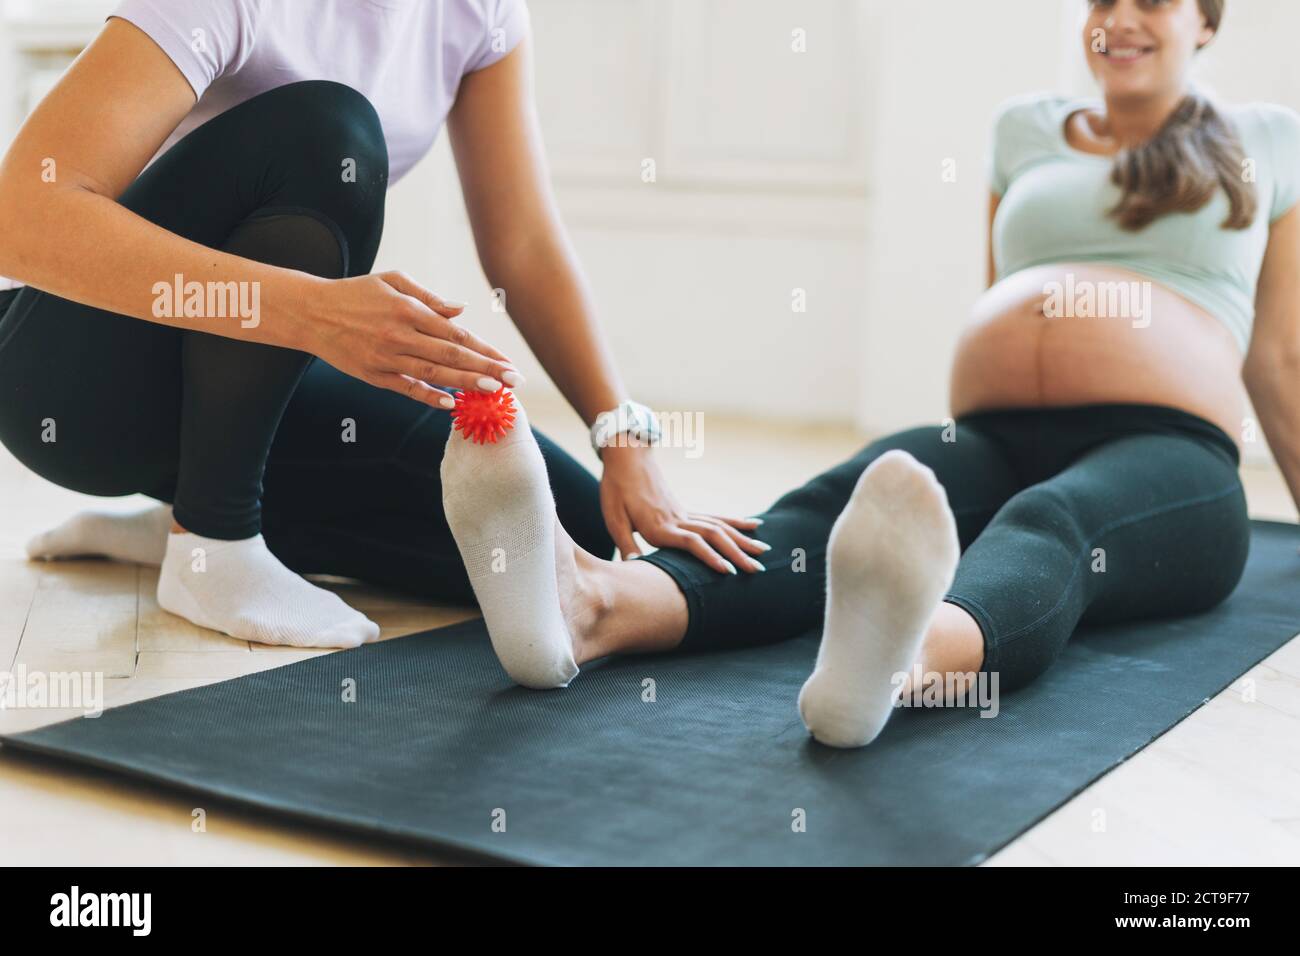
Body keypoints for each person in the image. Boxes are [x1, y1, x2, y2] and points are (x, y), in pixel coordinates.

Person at [438, 0, 1300, 748]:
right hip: (997, 429)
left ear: (1207, 21)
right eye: (1100, 2)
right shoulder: (1024, 128)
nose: (1117, 21)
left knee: (1052, 521)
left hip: (1170, 446)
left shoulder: (1270, 139)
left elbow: (1280, 357)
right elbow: (1005, 294)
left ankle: (898, 659)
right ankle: (591, 605)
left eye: (1150, 1)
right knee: (831, 507)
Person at [0, 0, 765, 649]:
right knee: (331, 133)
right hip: (73, 384)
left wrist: (623, 439)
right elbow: (24, 215)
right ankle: (213, 538)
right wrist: (312, 313)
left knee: (564, 539)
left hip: (245, 393)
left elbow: (525, 244)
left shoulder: (478, 12)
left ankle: (184, 520)